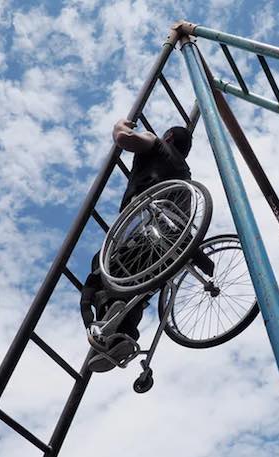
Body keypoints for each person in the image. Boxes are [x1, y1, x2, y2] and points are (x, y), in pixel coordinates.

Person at [81, 119, 213, 372]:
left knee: (100, 272)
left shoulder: (156, 143)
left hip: (143, 227)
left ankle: (108, 317)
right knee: (139, 293)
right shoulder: (184, 174)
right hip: (172, 245)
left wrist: (119, 125)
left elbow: (123, 139)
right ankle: (120, 335)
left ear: (169, 138)